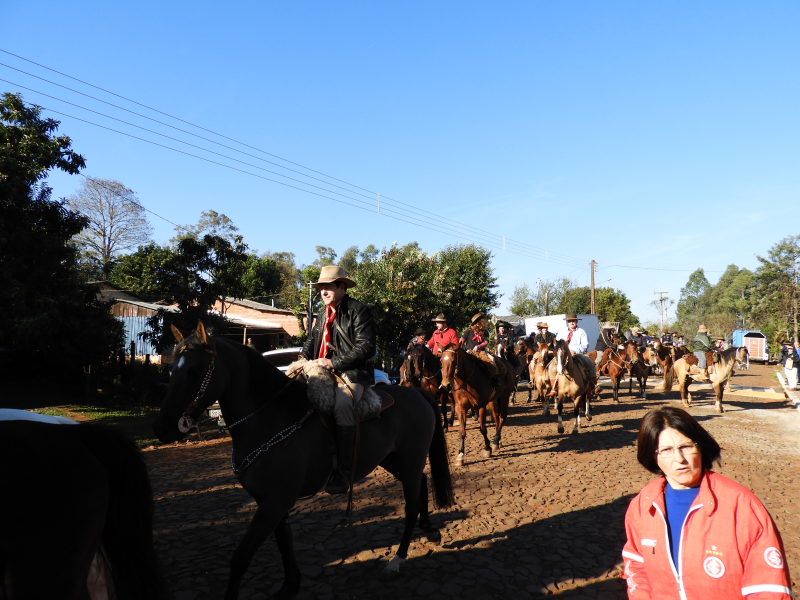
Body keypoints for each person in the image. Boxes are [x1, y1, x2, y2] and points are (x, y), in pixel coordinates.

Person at [623, 406, 792, 599]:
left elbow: (769, 588)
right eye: (666, 450)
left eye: (685, 447)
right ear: (654, 456)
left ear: (701, 447)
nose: (679, 459)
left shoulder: (742, 505)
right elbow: (636, 563)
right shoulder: (642, 505)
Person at [301, 265, 376, 494]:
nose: (323, 291)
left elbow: (366, 347)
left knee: (343, 404)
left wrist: (334, 363)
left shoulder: (358, 310)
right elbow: (312, 340)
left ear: (341, 287)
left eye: (328, 287)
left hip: (352, 373)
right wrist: (303, 355)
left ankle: (344, 471)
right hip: (321, 370)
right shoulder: (322, 313)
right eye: (321, 287)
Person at [460, 313, 501, 385]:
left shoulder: (485, 332)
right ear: (478, 324)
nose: (485, 324)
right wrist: (460, 351)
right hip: (469, 352)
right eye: (483, 323)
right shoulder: (468, 331)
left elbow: (486, 342)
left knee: (492, 359)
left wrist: (478, 347)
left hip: (481, 352)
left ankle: (495, 378)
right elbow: (461, 341)